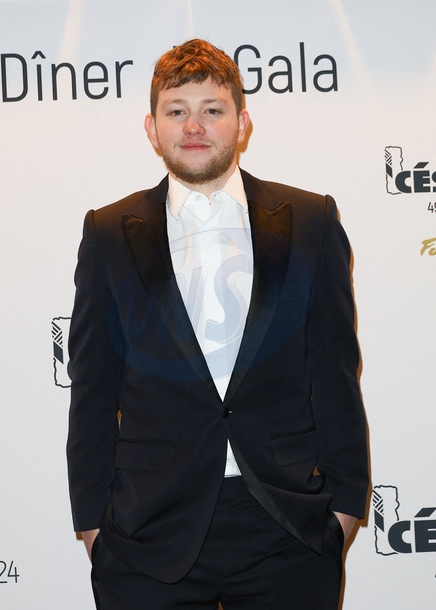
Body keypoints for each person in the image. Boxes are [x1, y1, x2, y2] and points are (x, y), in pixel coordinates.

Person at [67, 38, 369, 610]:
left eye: (212, 109)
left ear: (242, 123)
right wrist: (93, 524)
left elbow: (335, 372)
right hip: (147, 531)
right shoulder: (108, 232)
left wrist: (346, 507)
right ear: (152, 129)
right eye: (176, 111)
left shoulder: (310, 220)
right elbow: (92, 390)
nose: (194, 126)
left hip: (289, 526)